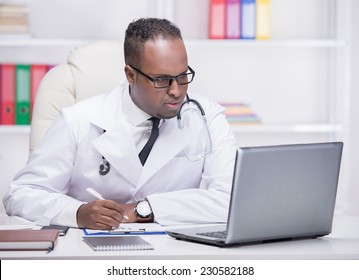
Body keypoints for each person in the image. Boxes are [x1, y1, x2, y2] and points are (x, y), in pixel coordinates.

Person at [3, 18, 237, 230]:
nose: (177, 91)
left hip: (174, 249)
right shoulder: (78, 120)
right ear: (130, 75)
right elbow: (21, 195)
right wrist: (76, 213)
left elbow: (232, 199)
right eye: (162, 80)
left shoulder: (207, 116)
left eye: (183, 76)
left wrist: (144, 210)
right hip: (89, 249)